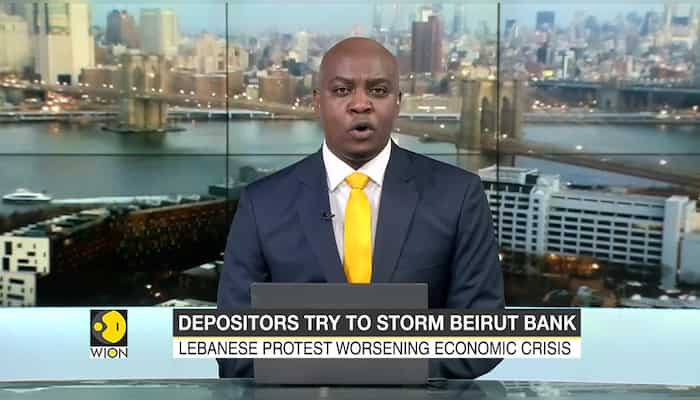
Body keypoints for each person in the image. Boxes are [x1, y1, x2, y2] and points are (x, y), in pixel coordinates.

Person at [217, 37, 504, 379]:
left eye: (378, 91)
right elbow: (233, 347)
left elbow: (483, 334)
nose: (360, 104)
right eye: (342, 91)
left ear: (397, 103)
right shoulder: (262, 204)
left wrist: (365, 372)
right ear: (317, 102)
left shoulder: (458, 195)